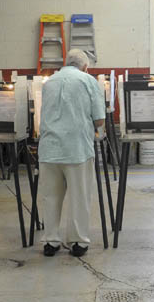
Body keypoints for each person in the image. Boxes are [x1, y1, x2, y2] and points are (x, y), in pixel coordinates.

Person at [38, 49, 105, 257]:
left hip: (49, 149)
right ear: (85, 67)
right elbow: (99, 120)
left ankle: (50, 242)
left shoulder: (49, 82)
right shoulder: (87, 81)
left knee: (50, 197)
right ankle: (78, 243)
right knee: (79, 196)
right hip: (77, 149)